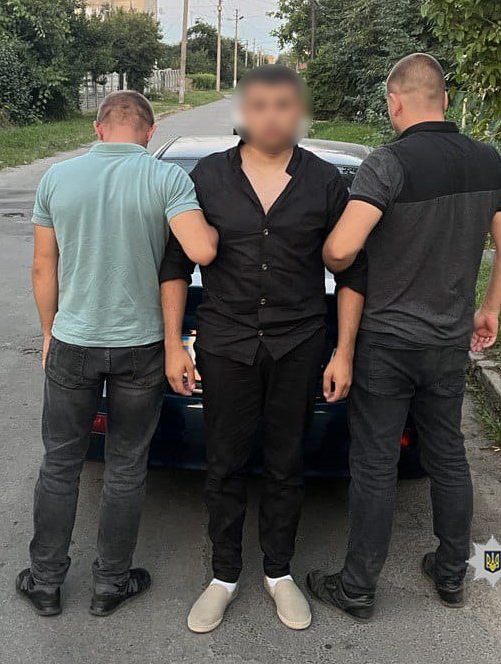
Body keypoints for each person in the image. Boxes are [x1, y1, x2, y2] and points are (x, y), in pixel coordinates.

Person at [307, 53, 501, 618]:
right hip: (449, 340)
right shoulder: (488, 161)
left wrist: (330, 250)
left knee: (375, 464)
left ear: (394, 102)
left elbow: (340, 250)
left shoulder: (388, 164)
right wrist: (489, 310)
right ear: (446, 101)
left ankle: (358, 587)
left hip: (386, 341)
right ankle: (452, 574)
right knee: (447, 454)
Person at [159, 65, 366, 633]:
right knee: (223, 465)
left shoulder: (324, 182)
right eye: (259, 105)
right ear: (242, 113)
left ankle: (278, 572)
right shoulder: (208, 177)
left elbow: (353, 273)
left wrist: (344, 351)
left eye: (283, 105)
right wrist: (174, 345)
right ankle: (224, 576)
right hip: (224, 343)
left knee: (286, 463)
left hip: (299, 342)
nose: (271, 116)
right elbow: (174, 265)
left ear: (298, 113)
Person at [17, 91, 218, 618]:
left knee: (60, 463)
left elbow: (43, 267)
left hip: (73, 340)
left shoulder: (57, 178)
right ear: (150, 132)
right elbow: (200, 250)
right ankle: (111, 583)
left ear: (98, 128)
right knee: (126, 466)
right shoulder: (166, 179)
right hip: (140, 346)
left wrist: (48, 332)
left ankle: (45, 582)